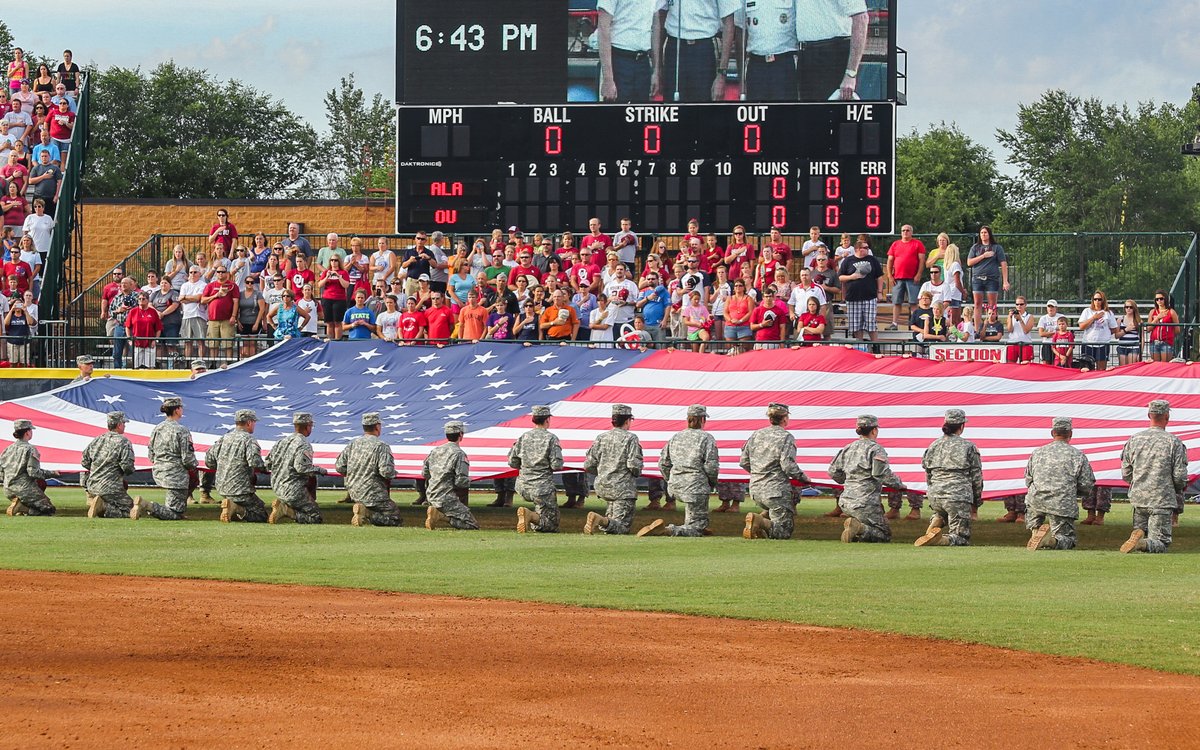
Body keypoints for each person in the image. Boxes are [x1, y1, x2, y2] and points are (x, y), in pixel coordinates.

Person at [639, 405, 719, 538]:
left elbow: (663, 463)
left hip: (675, 486)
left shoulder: (676, 437)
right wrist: (712, 482)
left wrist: (670, 480)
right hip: (695, 486)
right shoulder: (706, 438)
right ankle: (667, 530)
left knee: (696, 520)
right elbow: (711, 466)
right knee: (696, 528)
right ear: (703, 419)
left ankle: (694, 525)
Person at [1120, 400, 1187, 554]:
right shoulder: (1173, 442)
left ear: (1149, 415)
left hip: (1139, 498)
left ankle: (1139, 537)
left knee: (1142, 530)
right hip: (1161, 499)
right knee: (1161, 542)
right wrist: (1175, 488)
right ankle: (1141, 544)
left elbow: (1126, 473)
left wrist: (1138, 483)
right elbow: (1179, 475)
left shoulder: (1134, 440)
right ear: (1167, 416)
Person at [828, 414, 906, 543]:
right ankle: (860, 528)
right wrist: (899, 485)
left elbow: (833, 472)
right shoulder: (876, 449)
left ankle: (855, 531)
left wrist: (847, 481)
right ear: (874, 430)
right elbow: (880, 474)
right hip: (866, 501)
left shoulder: (848, 448)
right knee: (883, 534)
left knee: (870, 528)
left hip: (846, 500)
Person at [1022, 416, 1096, 551]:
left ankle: (1036, 533)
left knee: (1035, 520)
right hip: (1062, 502)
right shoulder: (1077, 455)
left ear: (1052, 433)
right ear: (1070, 434)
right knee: (1066, 538)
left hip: (1036, 500)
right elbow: (1086, 484)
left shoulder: (1037, 453)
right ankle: (1050, 541)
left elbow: (1028, 479)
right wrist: (1073, 492)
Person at [740, 403, 810, 540]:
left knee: (773, 511)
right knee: (783, 531)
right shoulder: (785, 437)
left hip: (755, 489)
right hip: (776, 490)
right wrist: (803, 477)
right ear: (784, 419)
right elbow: (788, 466)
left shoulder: (756, 435)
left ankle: (759, 523)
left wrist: (759, 472)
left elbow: (744, 461)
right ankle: (759, 521)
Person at [914, 410, 983, 547]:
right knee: (960, 537)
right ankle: (941, 540)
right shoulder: (968, 447)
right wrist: (976, 500)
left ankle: (937, 521)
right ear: (962, 426)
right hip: (957, 495)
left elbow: (928, 472)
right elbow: (976, 476)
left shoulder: (933, 445)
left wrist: (932, 491)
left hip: (935, 494)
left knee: (942, 511)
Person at [582, 404, 644, 535]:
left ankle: (603, 521)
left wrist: (603, 472)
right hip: (622, 488)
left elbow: (588, 464)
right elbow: (634, 465)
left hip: (603, 485)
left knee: (612, 520)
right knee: (622, 526)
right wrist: (636, 472)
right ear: (627, 420)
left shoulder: (601, 438)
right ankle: (600, 520)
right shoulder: (630, 438)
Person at [133, 397, 198, 521]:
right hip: (176, 475)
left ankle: (150, 506)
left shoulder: (157, 428)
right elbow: (187, 458)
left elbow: (151, 453)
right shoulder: (181, 430)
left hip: (159, 470)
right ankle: (146, 505)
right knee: (175, 513)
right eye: (181, 408)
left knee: (175, 508)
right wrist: (193, 466)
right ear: (177, 410)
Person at [658, 0, 736, 102]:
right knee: (673, 106)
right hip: (675, 48)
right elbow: (659, 18)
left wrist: (722, 73)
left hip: (704, 49)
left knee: (703, 108)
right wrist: (657, 67)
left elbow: (729, 24)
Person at [795, 0, 870, 100]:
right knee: (810, 112)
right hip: (807, 56)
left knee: (834, 113)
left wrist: (850, 74)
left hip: (834, 55)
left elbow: (861, 18)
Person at [337, 412, 402, 527]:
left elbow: (340, 467)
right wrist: (394, 473)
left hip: (354, 492)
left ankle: (363, 510)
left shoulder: (353, 444)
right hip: (373, 492)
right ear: (377, 426)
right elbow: (386, 472)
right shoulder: (381, 446)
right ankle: (367, 514)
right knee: (394, 517)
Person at [508, 406, 565, 534]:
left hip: (523, 485)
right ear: (547, 420)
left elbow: (512, 462)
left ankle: (531, 517)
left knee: (542, 508)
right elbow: (557, 465)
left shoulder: (523, 437)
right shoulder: (551, 438)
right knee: (551, 524)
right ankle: (530, 516)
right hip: (542, 487)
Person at [206, 409, 268, 523]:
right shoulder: (249, 440)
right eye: (254, 422)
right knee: (261, 515)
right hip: (240, 489)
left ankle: (233, 509)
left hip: (222, 487)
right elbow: (255, 462)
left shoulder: (224, 438)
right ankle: (237, 508)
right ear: (249, 422)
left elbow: (209, 461)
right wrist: (267, 467)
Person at [265, 412, 327, 525]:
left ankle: (285, 505)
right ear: (307, 426)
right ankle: (287, 511)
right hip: (294, 490)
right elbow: (301, 468)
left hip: (277, 488)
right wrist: (320, 470)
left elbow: (268, 464)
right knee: (315, 517)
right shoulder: (303, 444)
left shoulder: (280, 442)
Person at [597, 0, 665, 102]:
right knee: (614, 114)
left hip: (643, 62)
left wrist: (655, 71)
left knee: (641, 114)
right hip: (618, 60)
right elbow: (603, 27)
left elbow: (655, 25)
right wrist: (608, 79)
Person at [422, 420, 479, 530]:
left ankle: (438, 513)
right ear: (461, 435)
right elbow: (461, 481)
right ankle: (440, 516)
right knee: (472, 525)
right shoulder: (459, 454)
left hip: (431, 495)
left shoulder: (435, 451)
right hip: (447, 498)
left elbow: (425, 473)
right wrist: (470, 480)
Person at [81, 412, 138, 519]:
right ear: (119, 424)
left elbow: (84, 461)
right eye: (124, 423)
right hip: (111, 487)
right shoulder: (124, 442)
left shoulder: (97, 440)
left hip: (92, 485)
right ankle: (102, 507)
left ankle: (96, 503)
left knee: (117, 501)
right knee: (131, 510)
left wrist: (99, 469)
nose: (125, 426)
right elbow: (127, 466)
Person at [2, 418, 59, 516]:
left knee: (40, 485)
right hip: (24, 489)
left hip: (7, 489)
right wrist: (53, 473)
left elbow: (1, 470)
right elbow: (33, 472)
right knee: (49, 510)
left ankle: (21, 506)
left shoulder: (8, 449)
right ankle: (23, 508)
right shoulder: (30, 449)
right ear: (27, 432)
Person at [838, 240, 884, 345]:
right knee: (856, 325)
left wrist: (880, 291)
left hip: (870, 297)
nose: (868, 249)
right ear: (858, 249)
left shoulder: (872, 260)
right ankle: (860, 346)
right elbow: (840, 277)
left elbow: (879, 276)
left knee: (871, 323)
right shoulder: (848, 261)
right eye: (865, 247)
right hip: (853, 298)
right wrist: (851, 277)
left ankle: (875, 346)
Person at [966, 225, 1010, 333]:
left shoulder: (996, 247)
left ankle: (993, 327)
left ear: (989, 234)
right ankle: (977, 330)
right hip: (977, 278)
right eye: (981, 233)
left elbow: (1003, 263)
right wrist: (983, 256)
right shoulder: (975, 247)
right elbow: (969, 262)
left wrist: (1005, 281)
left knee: (992, 305)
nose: (983, 235)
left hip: (992, 279)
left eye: (985, 232)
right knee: (977, 304)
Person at [885, 225, 926, 331]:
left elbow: (922, 260)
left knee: (913, 302)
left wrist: (919, 274)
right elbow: (890, 260)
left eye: (907, 230)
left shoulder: (917, 244)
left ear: (911, 232)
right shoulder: (895, 244)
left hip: (912, 278)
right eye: (903, 230)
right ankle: (894, 323)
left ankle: (915, 324)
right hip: (898, 278)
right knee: (896, 302)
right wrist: (889, 275)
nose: (905, 232)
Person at [1078, 290, 1117, 370]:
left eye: (1099, 299)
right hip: (1088, 343)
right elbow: (1081, 326)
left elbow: (1114, 328)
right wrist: (1093, 318)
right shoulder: (1087, 311)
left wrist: (1105, 333)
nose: (1097, 301)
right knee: (1087, 368)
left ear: (1103, 300)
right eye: (1095, 299)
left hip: (1103, 344)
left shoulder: (1108, 313)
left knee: (1101, 369)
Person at [126, 291, 163, 369]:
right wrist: (129, 339)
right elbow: (127, 326)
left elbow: (158, 328)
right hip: (136, 342)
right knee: (135, 366)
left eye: (143, 299)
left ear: (148, 300)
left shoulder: (153, 312)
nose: (141, 300)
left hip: (149, 343)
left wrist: (155, 340)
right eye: (139, 299)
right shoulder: (133, 311)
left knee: (150, 367)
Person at [1146, 290, 1178, 362]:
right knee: (1155, 365)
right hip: (1154, 342)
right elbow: (1148, 328)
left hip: (1166, 342)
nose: (1159, 301)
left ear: (1165, 299)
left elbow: (1177, 329)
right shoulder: (1152, 312)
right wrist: (1157, 318)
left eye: (1161, 299)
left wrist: (1169, 334)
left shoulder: (1171, 312)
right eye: (1157, 299)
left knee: (1165, 365)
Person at [1005, 297, 1036, 363]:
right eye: (1017, 304)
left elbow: (1026, 330)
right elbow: (1010, 330)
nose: (1019, 306)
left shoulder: (1029, 316)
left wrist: (1020, 319)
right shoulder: (1011, 316)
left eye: (1021, 304)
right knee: (1010, 365)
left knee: (1025, 366)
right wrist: (1010, 317)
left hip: (1025, 343)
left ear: (1025, 305)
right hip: (1012, 343)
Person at [1115, 299, 1143, 367]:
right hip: (1122, 346)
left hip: (1134, 347)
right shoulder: (1120, 319)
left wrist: (1140, 352)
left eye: (1131, 307)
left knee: (1131, 367)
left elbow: (1142, 338)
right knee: (1122, 367)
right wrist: (1126, 330)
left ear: (1134, 308)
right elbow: (1116, 335)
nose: (1128, 309)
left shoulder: (1139, 320)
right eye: (1126, 307)